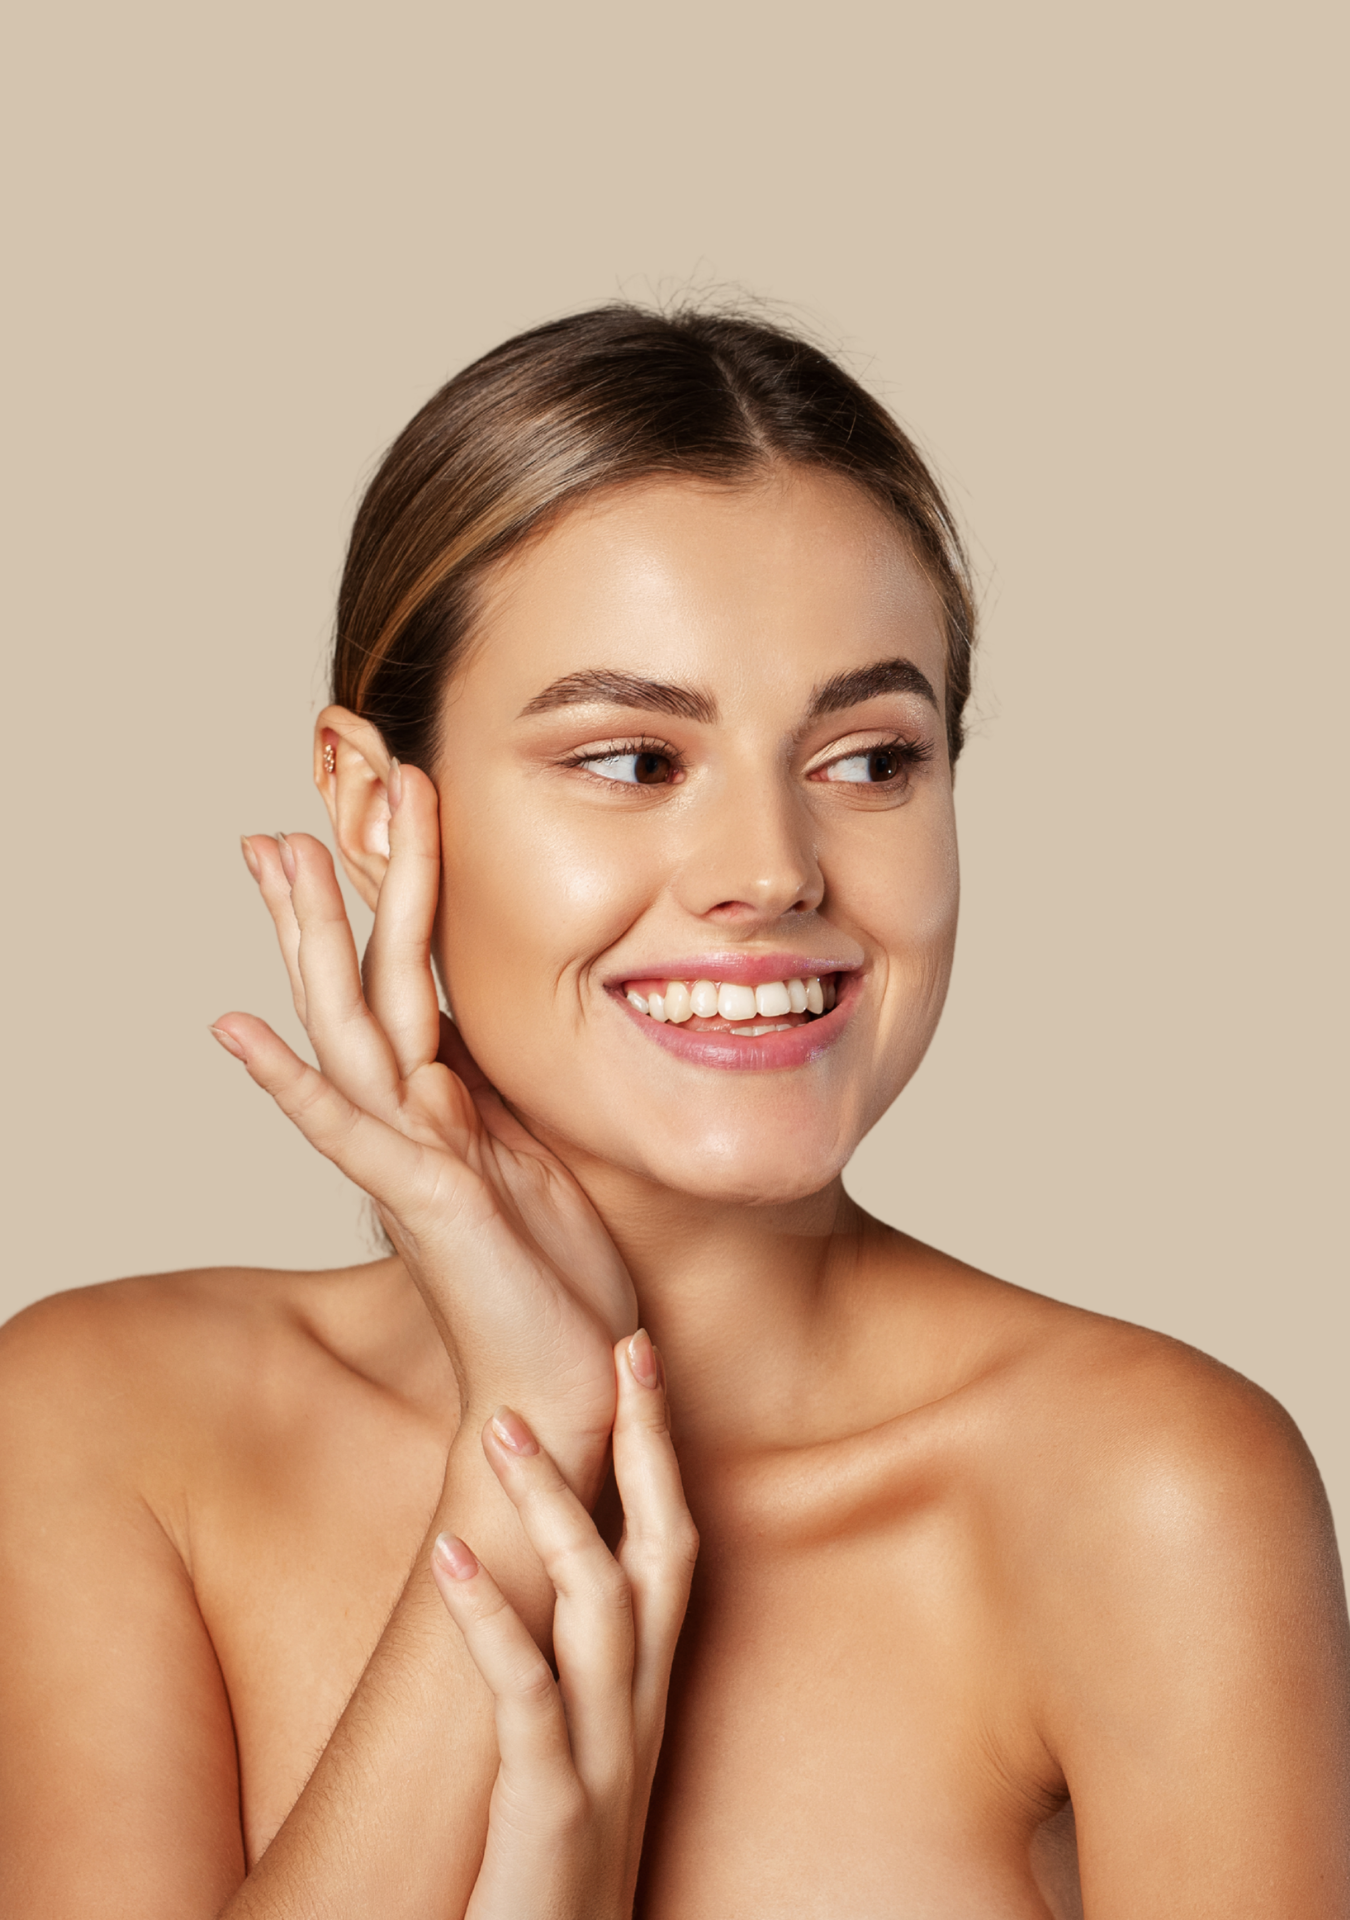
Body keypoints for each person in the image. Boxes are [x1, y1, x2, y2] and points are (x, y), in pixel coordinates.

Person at [0, 305, 1346, 1920]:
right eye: (634, 760)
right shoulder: (104, 1429)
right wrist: (524, 1442)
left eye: (867, 758)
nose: (773, 870)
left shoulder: (1147, 1490)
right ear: (375, 805)